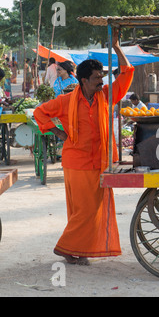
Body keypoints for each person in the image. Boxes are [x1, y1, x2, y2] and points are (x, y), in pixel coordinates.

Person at [33, 28, 135, 265]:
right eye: (98, 77)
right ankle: (65, 248)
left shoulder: (106, 95)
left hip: (100, 161)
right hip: (76, 163)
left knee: (93, 209)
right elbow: (40, 112)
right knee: (83, 211)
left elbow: (127, 73)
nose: (102, 80)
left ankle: (77, 251)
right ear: (84, 80)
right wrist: (58, 131)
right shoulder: (67, 100)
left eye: (102, 76)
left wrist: (117, 47)